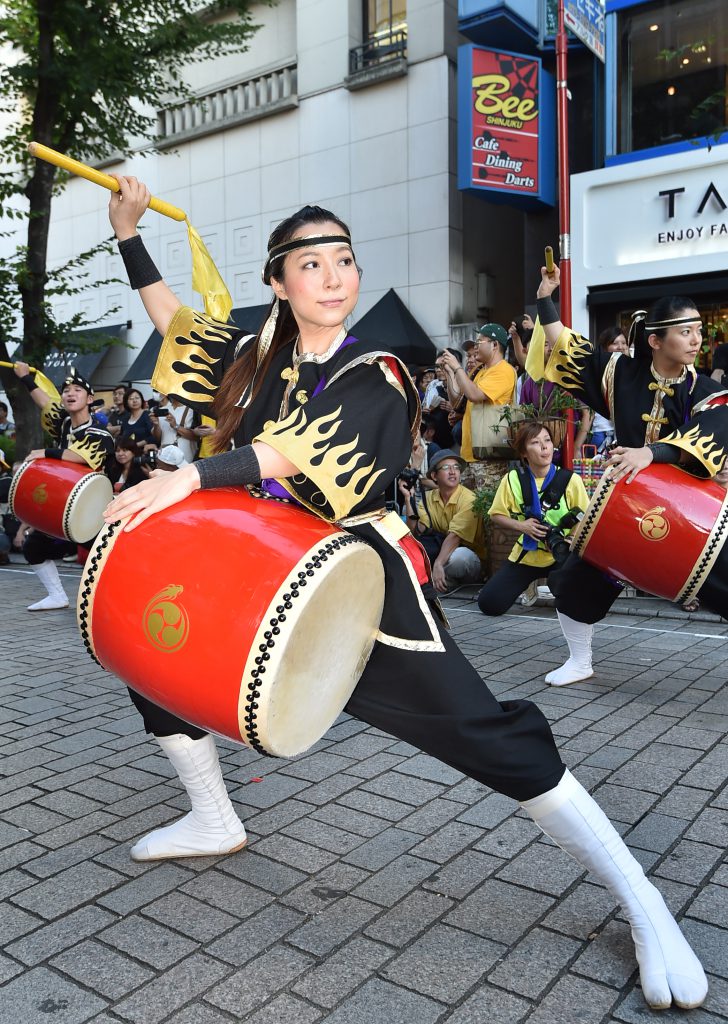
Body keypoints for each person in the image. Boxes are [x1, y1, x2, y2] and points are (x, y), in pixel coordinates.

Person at [100, 175, 707, 1012]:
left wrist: (191, 477)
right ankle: (212, 817)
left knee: (486, 736)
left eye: (343, 258)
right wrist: (127, 232)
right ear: (279, 281)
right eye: (311, 263)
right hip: (256, 562)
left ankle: (642, 900)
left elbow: (301, 452)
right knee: (153, 647)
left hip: (358, 580)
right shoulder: (257, 357)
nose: (334, 274)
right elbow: (175, 325)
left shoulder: (376, 368)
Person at [530, 263, 728, 687]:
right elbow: (563, 345)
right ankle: (580, 660)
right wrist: (545, 296)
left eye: (697, 331)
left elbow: (709, 436)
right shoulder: (620, 373)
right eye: (685, 332)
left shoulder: (708, 394)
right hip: (624, 506)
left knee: (722, 582)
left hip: (686, 513)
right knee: (574, 579)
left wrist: (650, 452)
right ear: (655, 340)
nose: (696, 340)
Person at [12, 364, 114, 610]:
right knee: (34, 547)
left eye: (77, 389)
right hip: (66, 506)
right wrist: (26, 378)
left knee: (107, 561)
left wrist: (44, 452)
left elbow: (78, 456)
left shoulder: (100, 434)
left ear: (90, 399)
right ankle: (58, 596)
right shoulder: (65, 424)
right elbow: (45, 403)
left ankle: (114, 605)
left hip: (98, 512)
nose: (70, 393)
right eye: (66, 389)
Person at [477, 422, 588, 615]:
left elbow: (585, 518)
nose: (545, 447)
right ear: (524, 453)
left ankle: (555, 586)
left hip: (561, 552)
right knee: (489, 604)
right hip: (527, 553)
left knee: (577, 606)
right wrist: (522, 526)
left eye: (547, 441)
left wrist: (568, 540)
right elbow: (496, 514)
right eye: (536, 442)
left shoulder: (570, 479)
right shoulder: (512, 479)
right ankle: (530, 586)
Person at [400, 449, 485, 592]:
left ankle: (435, 580)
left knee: (459, 558)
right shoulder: (428, 498)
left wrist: (438, 564)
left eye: (456, 467)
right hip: (441, 554)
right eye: (446, 467)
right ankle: (439, 581)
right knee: (409, 545)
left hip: (468, 559)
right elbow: (415, 532)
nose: (453, 472)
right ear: (434, 475)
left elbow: (455, 537)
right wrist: (408, 500)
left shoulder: (469, 499)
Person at [440, 324, 517, 463]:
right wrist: (450, 372)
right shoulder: (480, 370)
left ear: (494, 345)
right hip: (471, 453)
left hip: (489, 455)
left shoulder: (503, 370)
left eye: (479, 342)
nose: (476, 347)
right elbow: (456, 403)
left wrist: (457, 367)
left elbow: (474, 395)